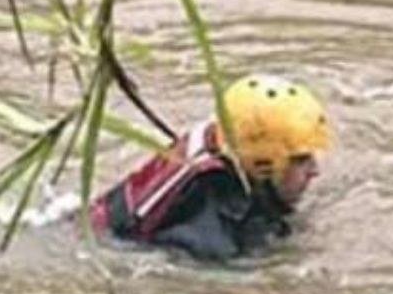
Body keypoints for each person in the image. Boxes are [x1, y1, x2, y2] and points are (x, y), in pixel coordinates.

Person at [90, 74, 331, 262]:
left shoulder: (224, 140)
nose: (315, 171)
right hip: (110, 247)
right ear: (262, 164)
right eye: (300, 160)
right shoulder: (209, 234)